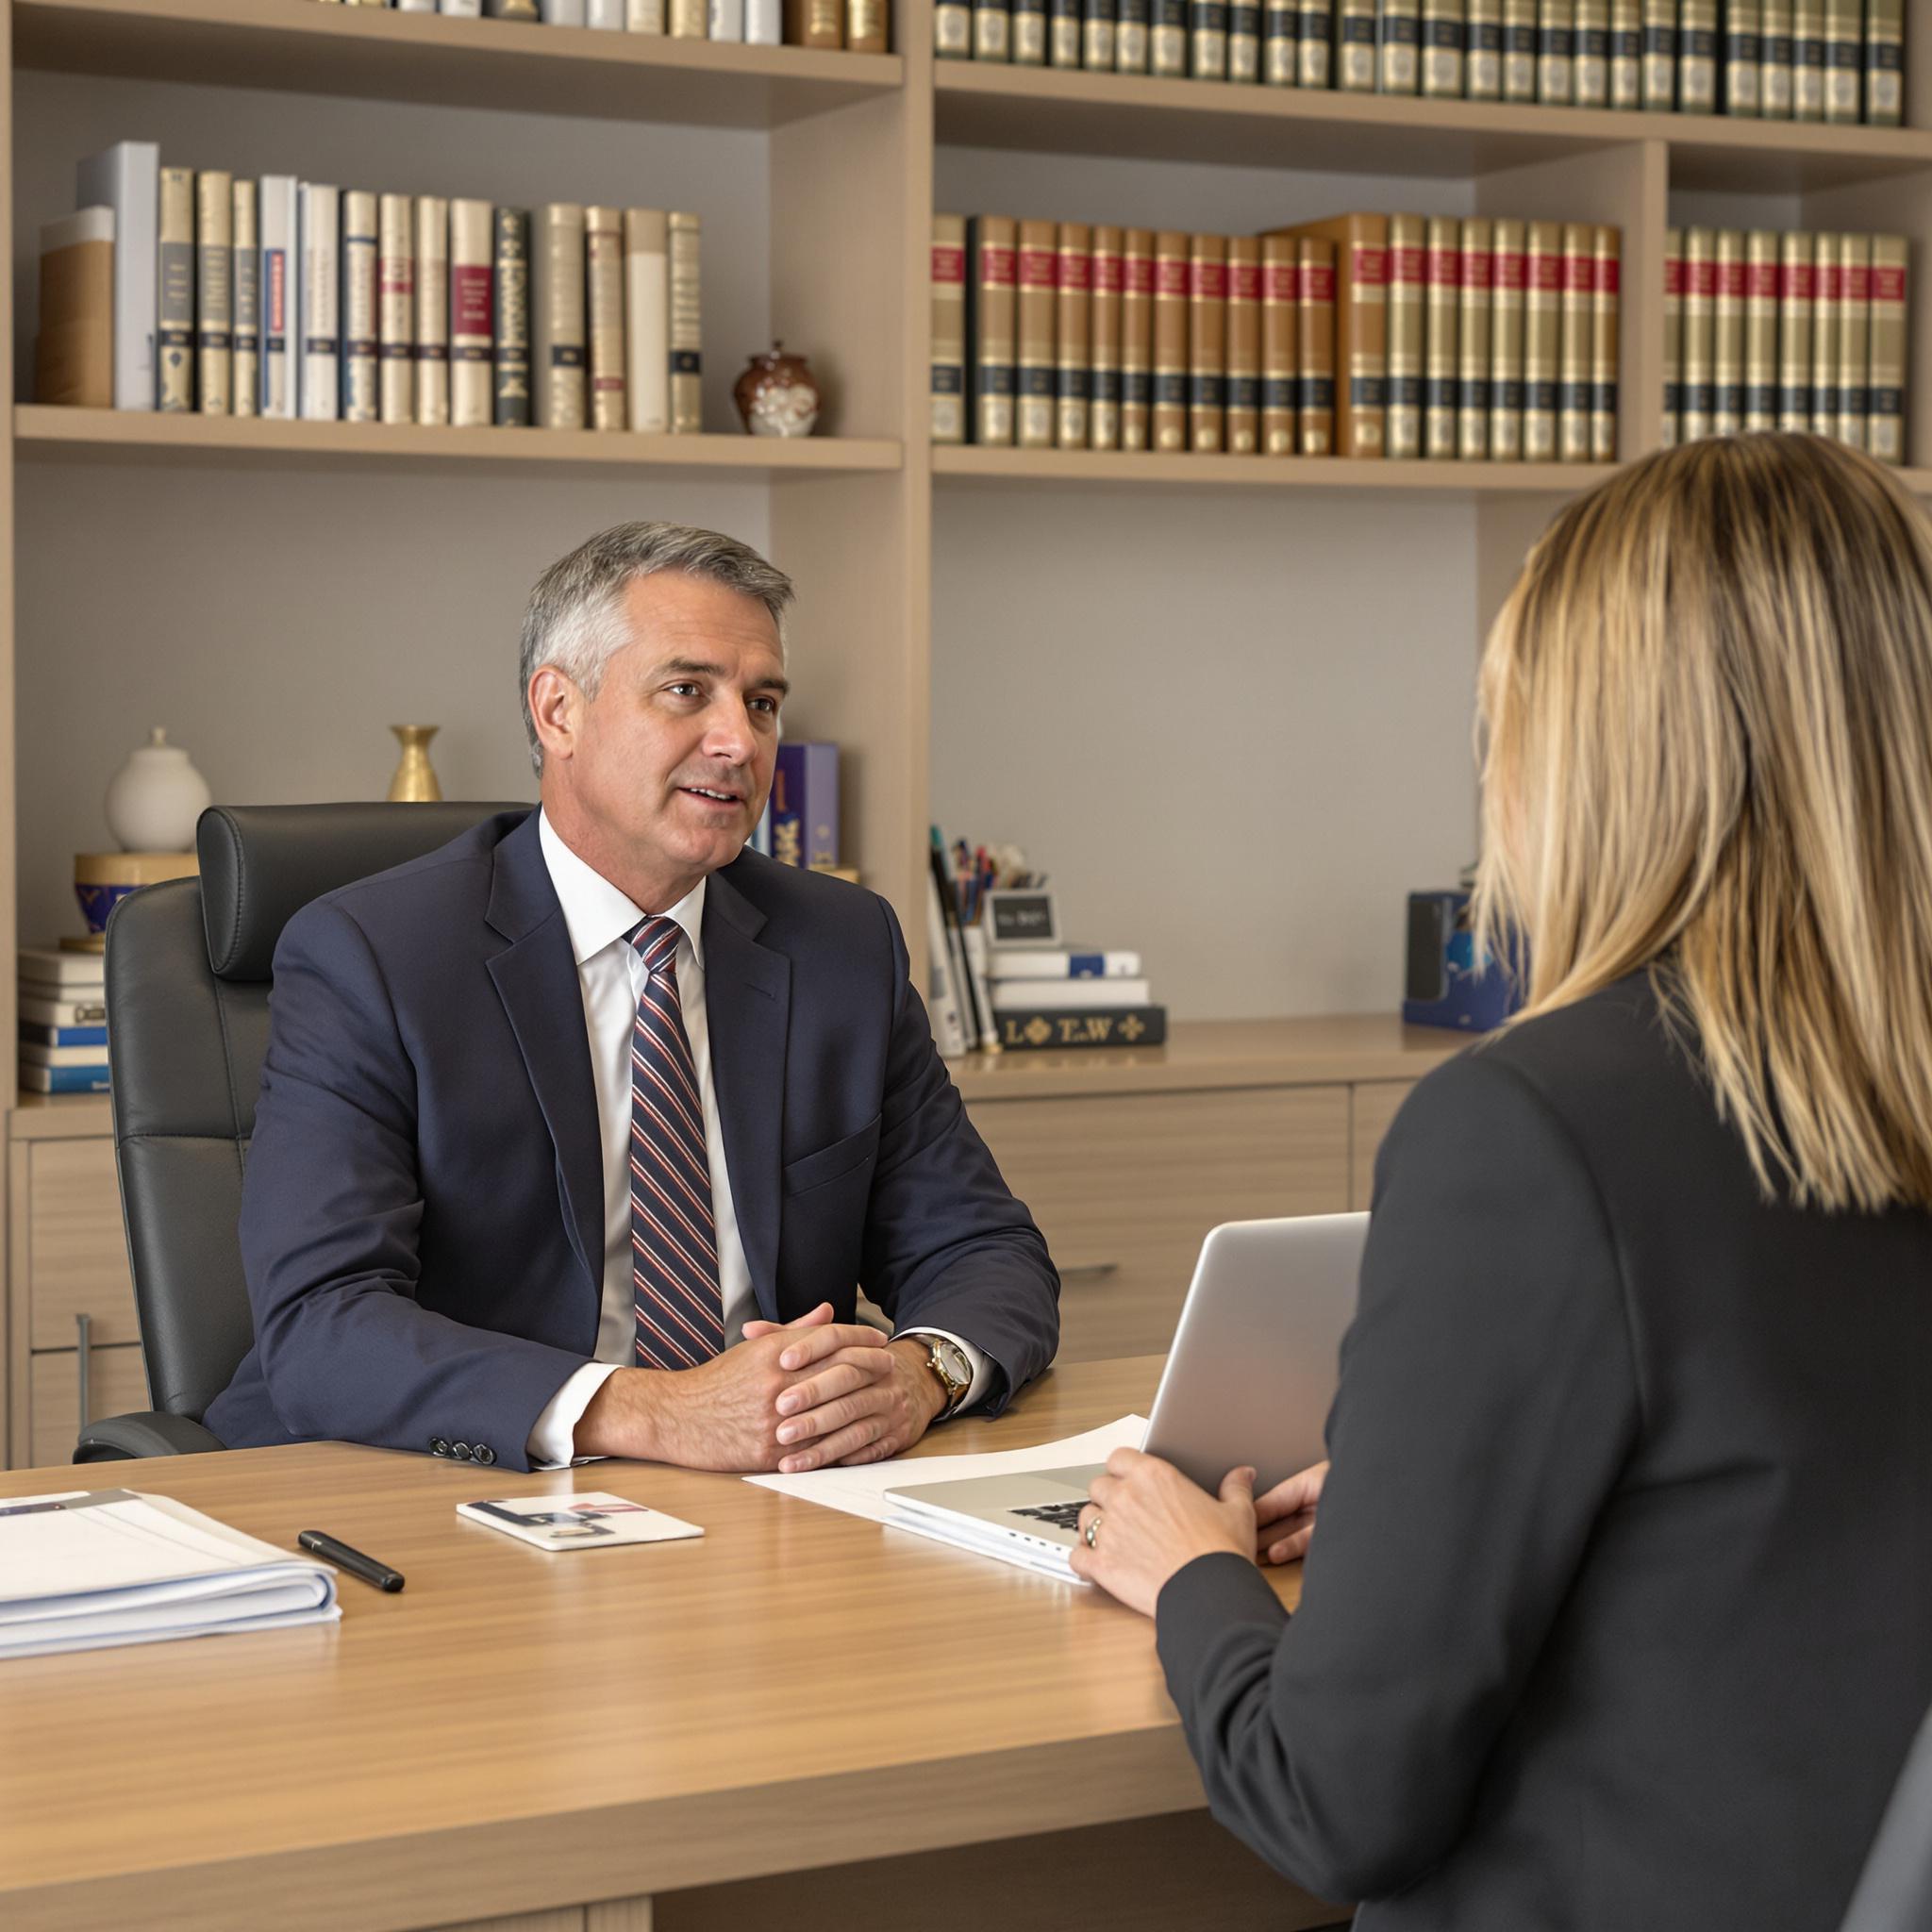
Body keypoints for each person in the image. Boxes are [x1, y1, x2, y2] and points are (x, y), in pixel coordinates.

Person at [1070, 434, 1932, 1929]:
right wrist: (1444, 1510)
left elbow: (1336, 1802)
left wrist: (1195, 1573)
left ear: (1590, 752)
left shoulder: (1537, 1127)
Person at [205, 523, 1058, 1474]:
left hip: (779, 1499)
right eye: (687, 690)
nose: (739, 739)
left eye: (763, 701)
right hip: (458, 1487)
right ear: (558, 710)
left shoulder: (840, 946)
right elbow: (323, 1325)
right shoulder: (371, 956)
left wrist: (918, 1372)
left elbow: (983, 1246)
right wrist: (653, 1410)